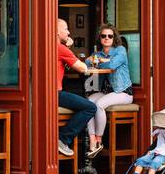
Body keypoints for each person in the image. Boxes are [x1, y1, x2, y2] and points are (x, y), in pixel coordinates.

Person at [85, 24, 133, 158]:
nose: (106, 38)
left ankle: (99, 140)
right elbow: (86, 63)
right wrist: (93, 60)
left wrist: (98, 61)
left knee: (99, 104)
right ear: (100, 38)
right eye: (103, 36)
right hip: (107, 92)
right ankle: (92, 139)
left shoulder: (120, 50)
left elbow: (112, 64)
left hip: (123, 92)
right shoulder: (98, 53)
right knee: (88, 103)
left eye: (110, 36)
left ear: (114, 38)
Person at [56, 18, 95, 165]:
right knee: (90, 107)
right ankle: (63, 138)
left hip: (45, 95)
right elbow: (83, 68)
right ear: (56, 31)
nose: (69, 32)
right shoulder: (60, 47)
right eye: (65, 29)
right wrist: (68, 48)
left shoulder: (48, 46)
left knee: (81, 100)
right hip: (55, 94)